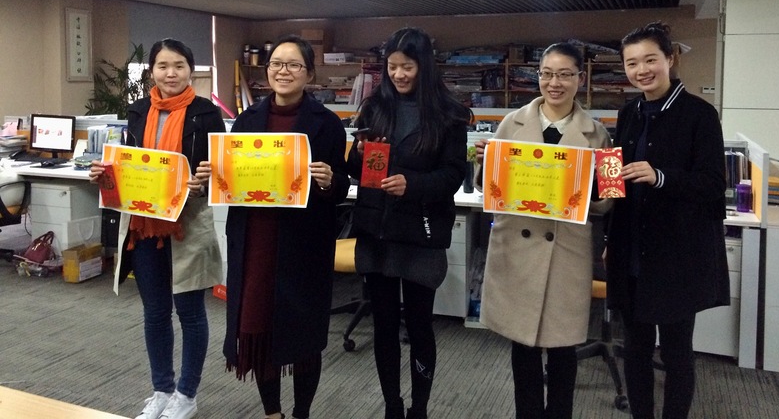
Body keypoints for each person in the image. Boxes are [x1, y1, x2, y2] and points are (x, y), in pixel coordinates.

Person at [197, 35, 349, 419]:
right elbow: (234, 178)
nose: (284, 71)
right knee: (259, 326)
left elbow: (342, 186)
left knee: (303, 334)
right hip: (256, 239)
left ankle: (301, 413)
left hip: (303, 243)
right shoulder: (247, 120)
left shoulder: (328, 124)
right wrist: (214, 175)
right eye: (277, 64)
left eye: (294, 65)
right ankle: (272, 413)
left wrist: (330, 180)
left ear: (309, 74)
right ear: (267, 72)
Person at [474, 42, 611, 419]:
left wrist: (588, 186)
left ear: (580, 79)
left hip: (566, 253)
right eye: (547, 74)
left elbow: (610, 199)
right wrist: (485, 161)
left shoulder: (599, 133)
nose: (555, 83)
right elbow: (490, 189)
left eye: (565, 74)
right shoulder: (511, 123)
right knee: (523, 348)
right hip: (519, 251)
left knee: (564, 349)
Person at [89, 39, 225, 419]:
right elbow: (129, 166)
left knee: (191, 313)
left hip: (187, 223)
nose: (171, 73)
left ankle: (187, 395)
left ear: (190, 70)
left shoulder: (206, 114)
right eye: (163, 66)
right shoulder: (137, 111)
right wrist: (104, 175)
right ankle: (162, 390)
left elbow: (221, 174)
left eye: (179, 66)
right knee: (155, 312)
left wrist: (203, 182)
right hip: (144, 225)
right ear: (152, 71)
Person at [346, 27, 472, 419]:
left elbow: (453, 175)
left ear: (424, 66)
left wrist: (411, 184)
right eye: (393, 67)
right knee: (383, 326)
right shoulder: (375, 107)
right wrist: (358, 154)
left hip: (420, 233)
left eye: (408, 67)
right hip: (377, 232)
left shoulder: (449, 114)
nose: (399, 75)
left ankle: (419, 407)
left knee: (419, 326)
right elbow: (355, 169)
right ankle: (392, 406)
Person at [605, 22, 729, 419]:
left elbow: (713, 184)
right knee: (635, 349)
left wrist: (660, 176)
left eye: (650, 60)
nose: (641, 70)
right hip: (632, 252)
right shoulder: (628, 113)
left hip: (677, 255)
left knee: (676, 353)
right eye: (632, 63)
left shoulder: (700, 114)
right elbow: (617, 185)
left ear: (670, 59)